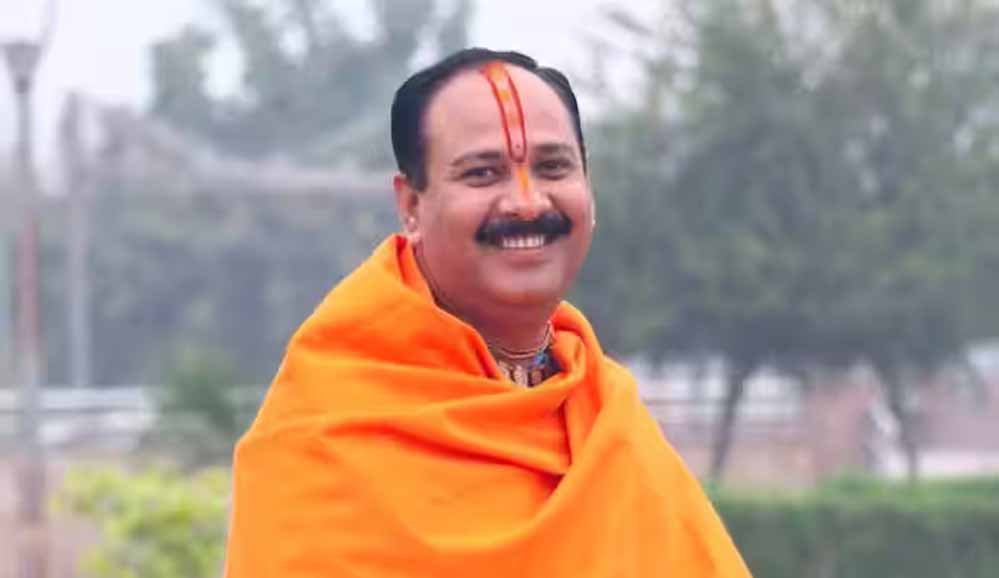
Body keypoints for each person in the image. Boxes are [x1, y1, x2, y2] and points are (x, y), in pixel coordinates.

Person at [223, 48, 751, 578]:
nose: (527, 202)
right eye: (482, 174)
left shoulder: (609, 420)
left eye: (553, 167)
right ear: (411, 205)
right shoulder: (325, 434)